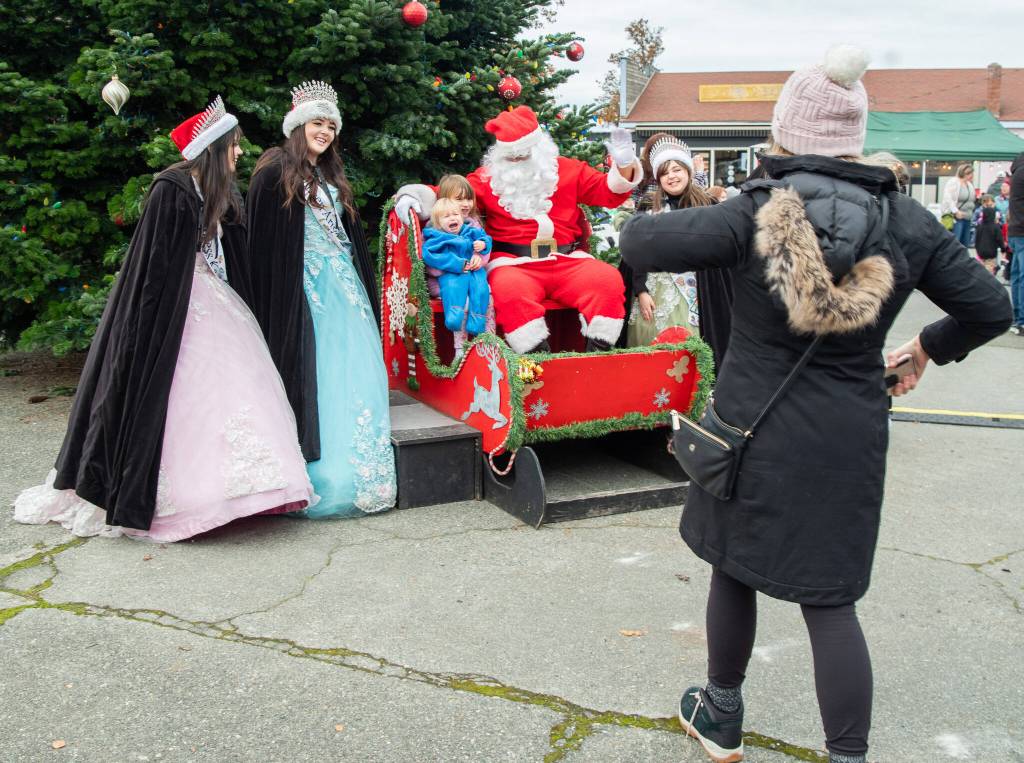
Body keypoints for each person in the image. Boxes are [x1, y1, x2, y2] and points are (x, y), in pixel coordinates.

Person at [619, 45, 1012, 763]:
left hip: (747, 428)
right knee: (831, 602)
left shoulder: (750, 213)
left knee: (732, 566)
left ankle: (722, 715)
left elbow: (639, 236)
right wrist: (924, 346)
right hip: (847, 434)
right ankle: (848, 756)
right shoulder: (909, 221)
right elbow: (992, 306)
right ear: (853, 137)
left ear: (787, 130)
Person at [13, 97, 315, 541]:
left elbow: (228, 252)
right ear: (214, 148)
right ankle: (183, 496)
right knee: (180, 393)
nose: (239, 153)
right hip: (175, 307)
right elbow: (153, 268)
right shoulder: (171, 189)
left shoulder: (219, 194)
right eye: (233, 145)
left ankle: (247, 489)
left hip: (211, 299)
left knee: (233, 385)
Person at [244, 80, 396, 518]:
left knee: (357, 371)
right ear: (299, 126)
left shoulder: (330, 175)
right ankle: (325, 478)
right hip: (306, 290)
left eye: (331, 125)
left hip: (343, 285)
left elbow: (348, 239)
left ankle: (366, 475)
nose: (325, 131)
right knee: (322, 374)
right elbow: (265, 243)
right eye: (317, 122)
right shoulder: (275, 170)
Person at [395, 105, 642, 353]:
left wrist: (624, 165)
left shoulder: (568, 170)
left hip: (568, 260)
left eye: (523, 156)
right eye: (510, 158)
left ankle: (595, 356)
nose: (516, 164)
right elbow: (452, 196)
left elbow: (608, 193)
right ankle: (536, 362)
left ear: (539, 149)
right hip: (513, 263)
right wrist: (416, 197)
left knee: (606, 280)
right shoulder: (486, 179)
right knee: (510, 290)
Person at [620, 135, 734, 370]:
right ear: (659, 179)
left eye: (676, 169)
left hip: (700, 288)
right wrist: (640, 290)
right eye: (664, 172)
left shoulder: (709, 205)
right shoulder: (650, 207)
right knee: (652, 343)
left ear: (688, 172)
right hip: (657, 288)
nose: (671, 176)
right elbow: (637, 252)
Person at [426, 174, 497, 354]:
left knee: (486, 299)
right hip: (447, 282)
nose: (466, 204)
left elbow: (483, 247)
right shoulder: (435, 227)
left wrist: (478, 258)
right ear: (444, 201)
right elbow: (431, 262)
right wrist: (457, 264)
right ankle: (461, 349)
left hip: (472, 277)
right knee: (462, 303)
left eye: (468, 199)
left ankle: (487, 342)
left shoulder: (472, 225)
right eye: (459, 199)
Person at [941, 163, 977, 248]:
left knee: (965, 244)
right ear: (963, 172)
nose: (971, 175)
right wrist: (956, 211)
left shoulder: (969, 184)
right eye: (968, 173)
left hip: (967, 217)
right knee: (956, 243)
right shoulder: (954, 182)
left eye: (971, 173)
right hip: (956, 218)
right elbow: (948, 197)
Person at [1009, 153, 1024, 333]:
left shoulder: (1017, 171)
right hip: (1021, 230)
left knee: (1017, 276)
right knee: (1021, 277)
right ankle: (1020, 319)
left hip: (1015, 229)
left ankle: (1018, 318)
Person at [974, 198, 1003, 275]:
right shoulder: (996, 227)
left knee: (980, 272)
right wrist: (1003, 249)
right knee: (989, 273)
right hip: (991, 254)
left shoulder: (980, 226)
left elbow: (976, 240)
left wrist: (977, 249)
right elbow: (999, 239)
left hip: (981, 253)